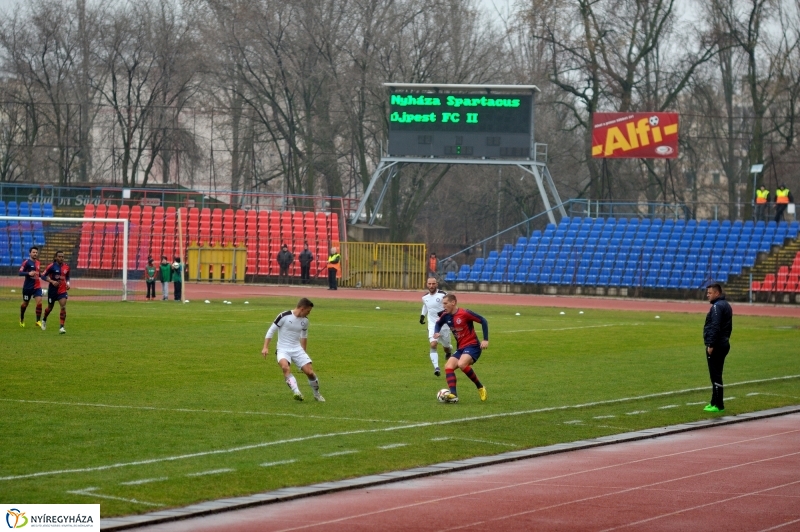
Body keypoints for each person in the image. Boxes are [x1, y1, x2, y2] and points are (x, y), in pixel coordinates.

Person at [262, 298, 324, 402]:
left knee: (310, 372)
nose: (309, 313)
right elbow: (271, 330)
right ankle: (297, 392)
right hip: (282, 349)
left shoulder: (305, 321)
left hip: (297, 349)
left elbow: (304, 336)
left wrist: (303, 351)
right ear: (302, 308)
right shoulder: (284, 316)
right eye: (308, 311)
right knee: (285, 368)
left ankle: (316, 394)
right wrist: (265, 347)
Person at [434, 293, 488, 403]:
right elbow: (438, 324)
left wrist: (485, 339)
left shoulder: (465, 313)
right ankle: (453, 394)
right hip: (461, 348)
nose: (443, 306)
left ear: (453, 303)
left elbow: (483, 320)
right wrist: (436, 332)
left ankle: (480, 387)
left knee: (462, 364)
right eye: (442, 304)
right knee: (448, 366)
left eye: (445, 303)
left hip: (473, 346)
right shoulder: (445, 315)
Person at [703, 283, 733, 413]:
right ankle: (714, 401)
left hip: (717, 345)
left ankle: (718, 404)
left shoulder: (717, 307)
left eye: (710, 293)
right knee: (717, 374)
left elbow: (715, 326)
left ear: (717, 293)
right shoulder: (726, 305)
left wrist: (711, 344)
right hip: (724, 343)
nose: (707, 295)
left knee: (715, 375)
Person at [420, 277, 453, 376]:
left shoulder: (443, 294)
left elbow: (450, 305)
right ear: (427, 284)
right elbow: (426, 305)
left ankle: (449, 351)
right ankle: (437, 368)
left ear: (437, 284)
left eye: (433, 284)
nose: (431, 286)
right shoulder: (424, 297)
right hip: (433, 325)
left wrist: (443, 312)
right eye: (429, 284)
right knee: (433, 344)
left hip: (444, 325)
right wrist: (422, 316)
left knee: (446, 347)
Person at [41, 250, 70, 334]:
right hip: (53, 291)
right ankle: (44, 319)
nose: (61, 258)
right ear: (56, 257)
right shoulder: (51, 266)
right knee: (50, 308)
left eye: (62, 257)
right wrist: (52, 281)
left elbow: (67, 276)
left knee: (63, 307)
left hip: (62, 290)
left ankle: (61, 327)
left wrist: (68, 283)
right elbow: (43, 276)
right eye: (59, 256)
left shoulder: (67, 267)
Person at [18, 246, 43, 328]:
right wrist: (28, 273)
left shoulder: (38, 263)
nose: (35, 254)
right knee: (25, 304)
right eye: (33, 252)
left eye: (36, 252)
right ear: (30, 253)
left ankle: (38, 321)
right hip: (27, 287)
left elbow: (38, 273)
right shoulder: (26, 262)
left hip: (37, 287)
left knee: (39, 302)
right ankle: (21, 318)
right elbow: (20, 273)